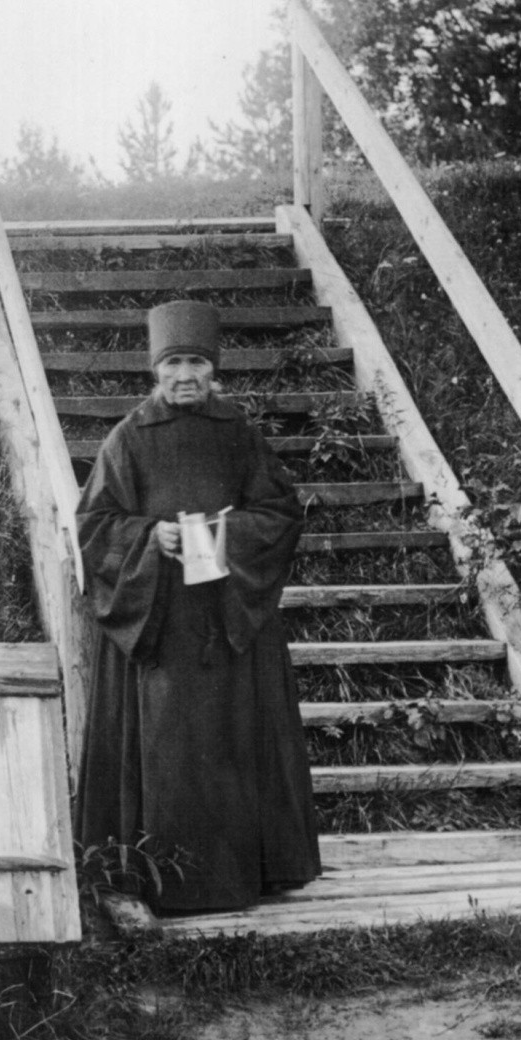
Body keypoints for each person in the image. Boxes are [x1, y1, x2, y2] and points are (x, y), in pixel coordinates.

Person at [74, 299, 321, 913]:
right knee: (167, 749)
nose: (185, 376)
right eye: (173, 363)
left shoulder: (239, 434)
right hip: (159, 623)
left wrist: (222, 536)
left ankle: (241, 876)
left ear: (215, 369)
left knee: (232, 749)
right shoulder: (128, 438)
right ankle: (155, 879)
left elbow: (280, 513)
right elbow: (94, 525)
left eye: (197, 363)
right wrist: (150, 537)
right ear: (154, 369)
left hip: (228, 621)